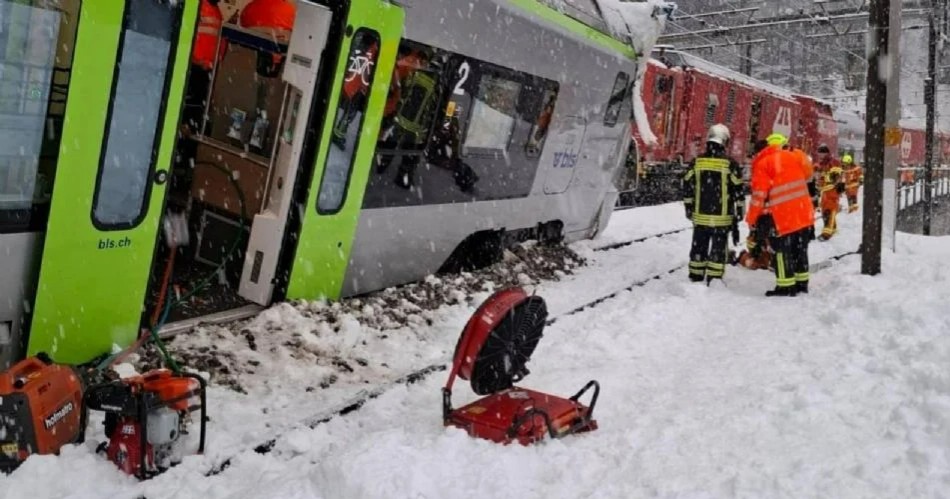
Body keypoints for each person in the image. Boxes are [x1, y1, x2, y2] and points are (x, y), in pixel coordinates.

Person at [746, 133, 815, 296]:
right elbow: (808, 175)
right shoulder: (794, 157)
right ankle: (801, 284)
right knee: (800, 249)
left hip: (782, 216)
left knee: (782, 251)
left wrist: (751, 218)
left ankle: (785, 287)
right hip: (803, 212)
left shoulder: (763, 163)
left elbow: (759, 196)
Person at [682, 124, 745, 285]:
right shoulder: (730, 164)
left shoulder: (697, 162)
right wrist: (739, 211)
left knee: (699, 245)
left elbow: (686, 185)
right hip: (721, 218)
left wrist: (688, 207)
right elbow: (738, 190)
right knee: (718, 247)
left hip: (700, 215)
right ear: (724, 141)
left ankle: (696, 274)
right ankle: (714, 278)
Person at [814, 144, 844, 240]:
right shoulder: (821, 164)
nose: (820, 156)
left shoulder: (833, 162)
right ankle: (833, 227)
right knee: (825, 211)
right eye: (819, 154)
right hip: (825, 191)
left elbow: (836, 176)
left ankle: (827, 233)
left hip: (832, 190)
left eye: (822, 153)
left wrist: (836, 182)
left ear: (826, 153)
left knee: (829, 211)